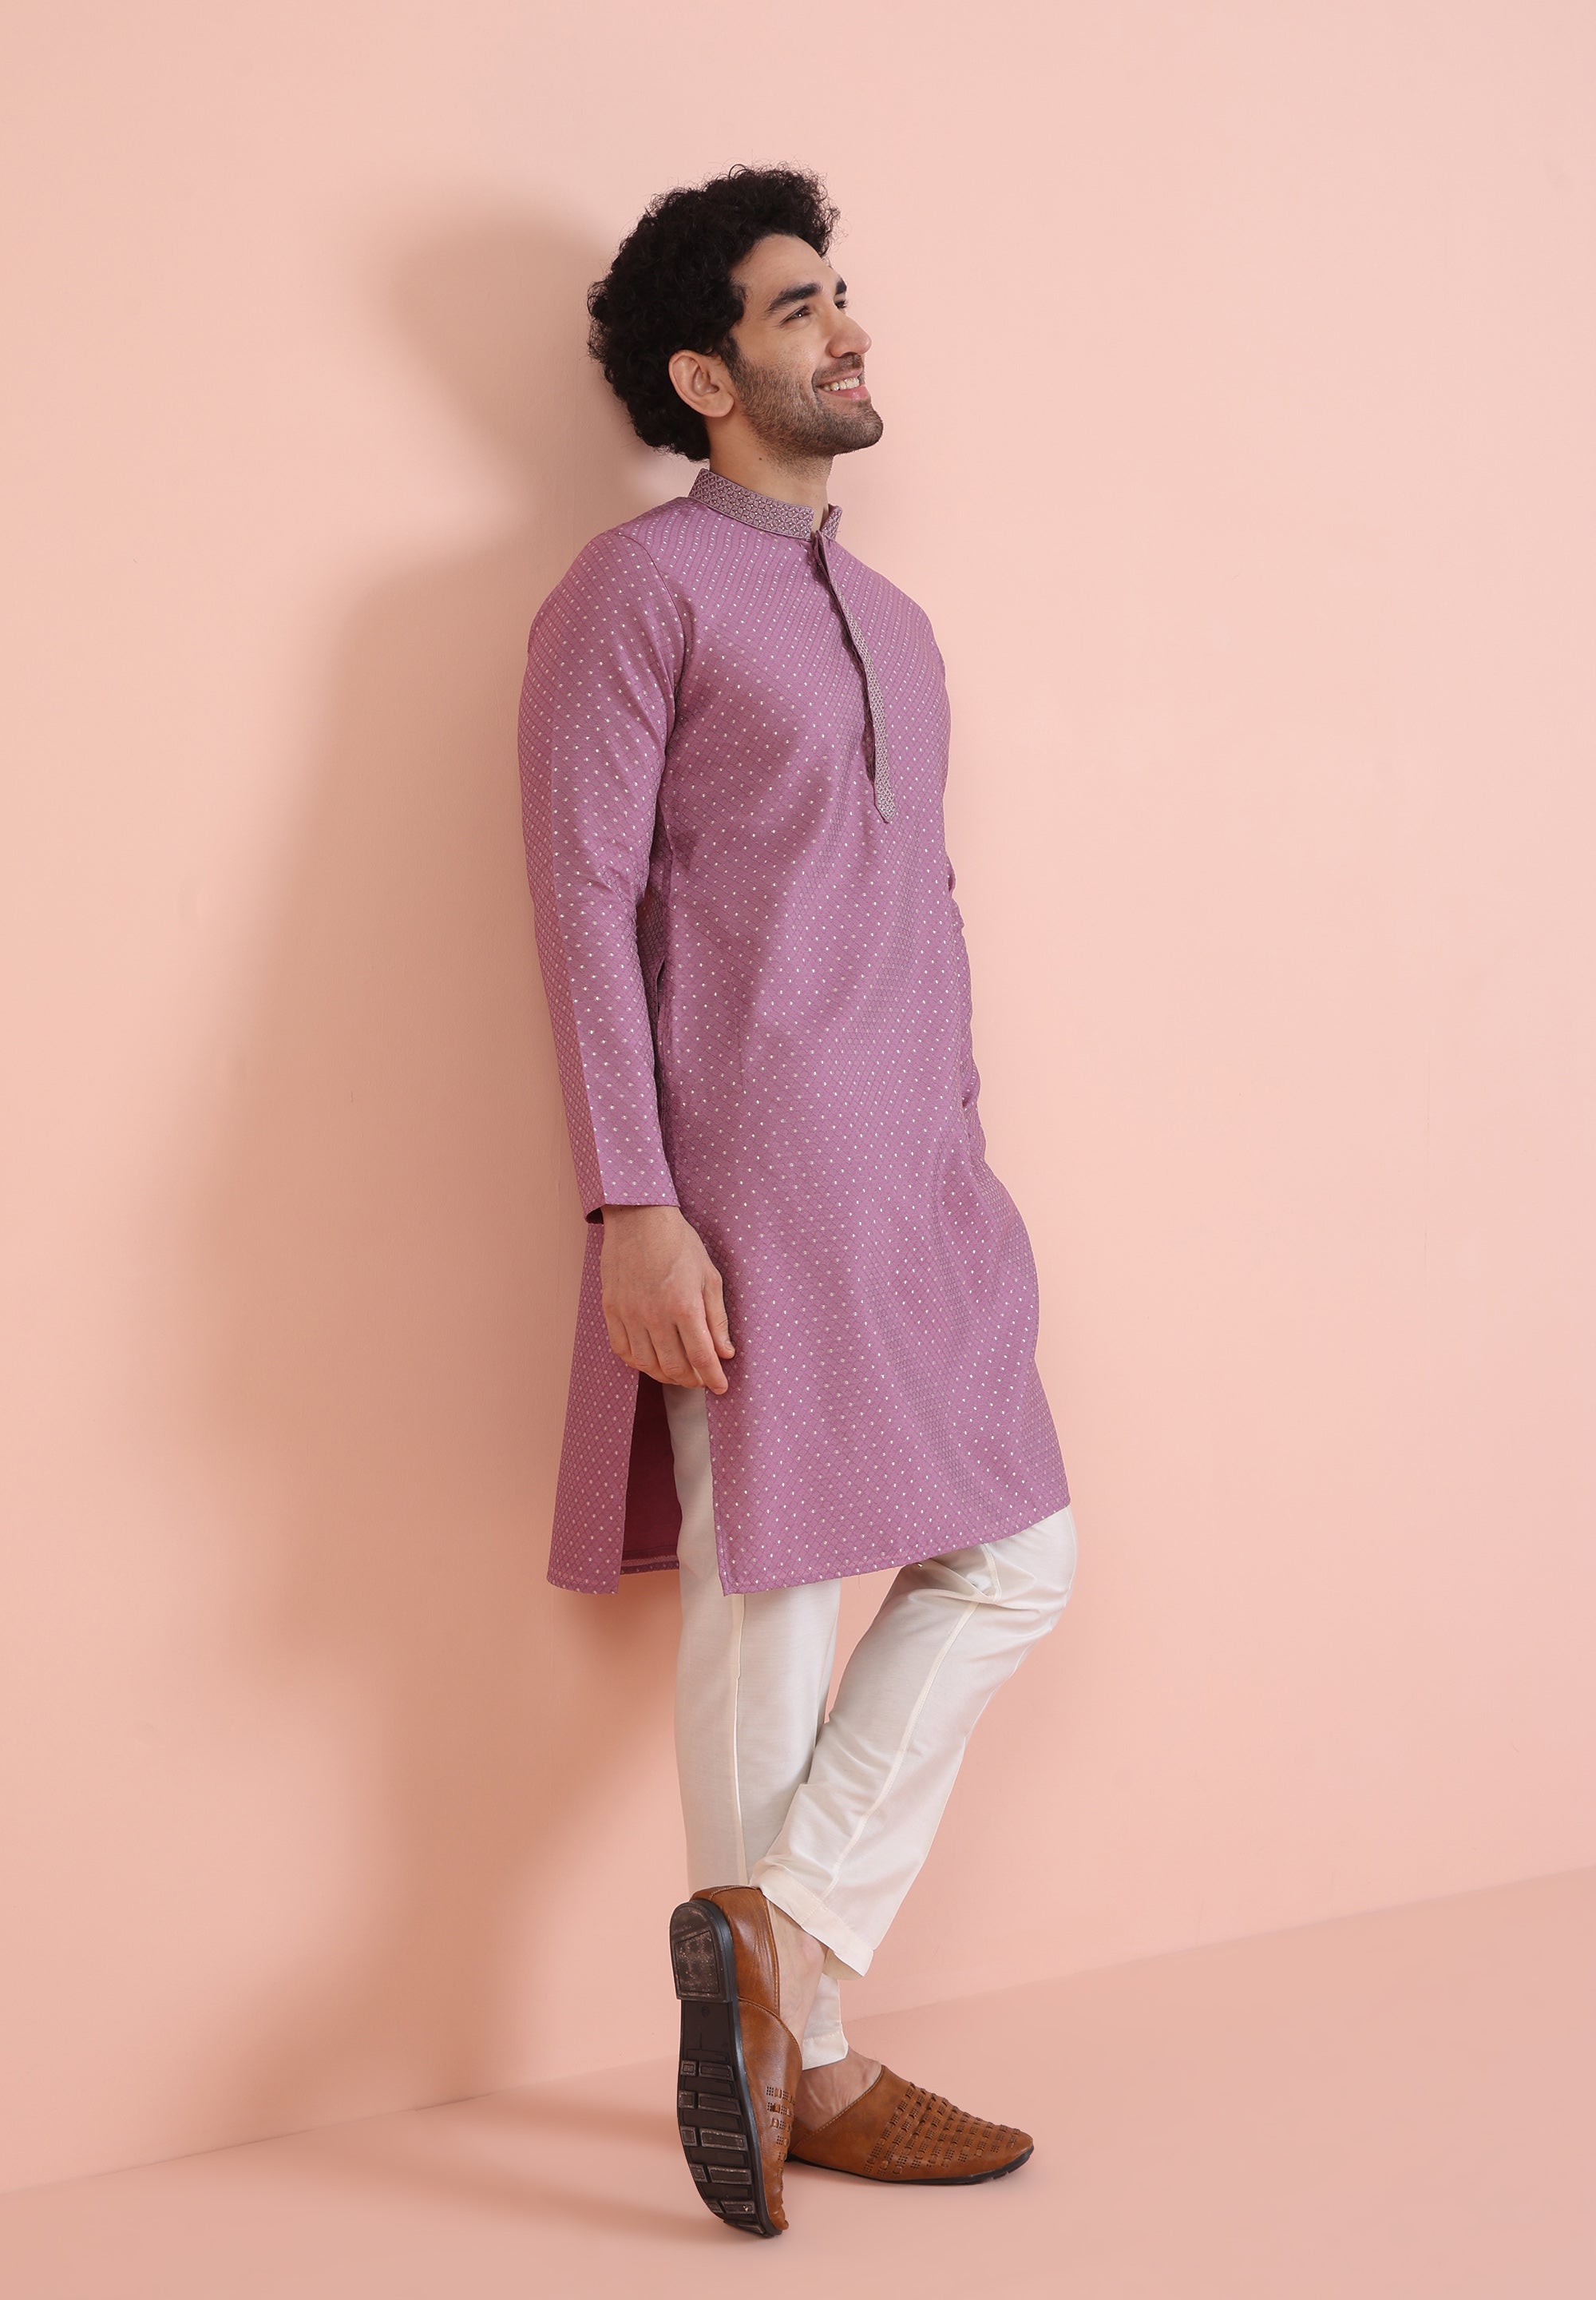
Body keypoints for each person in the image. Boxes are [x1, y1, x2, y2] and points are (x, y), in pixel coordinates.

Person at [517, 166, 1078, 2239]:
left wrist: (960, 1138)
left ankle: (780, 1938)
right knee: (765, 1600)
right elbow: (581, 901)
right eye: (796, 306)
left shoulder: (894, 623)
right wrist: (630, 1206)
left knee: (1017, 1556)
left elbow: (920, 899)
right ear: (704, 375)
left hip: (917, 1170)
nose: (847, 329)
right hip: (744, 1170)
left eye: (844, 294)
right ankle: (809, 2062)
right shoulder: (633, 592)